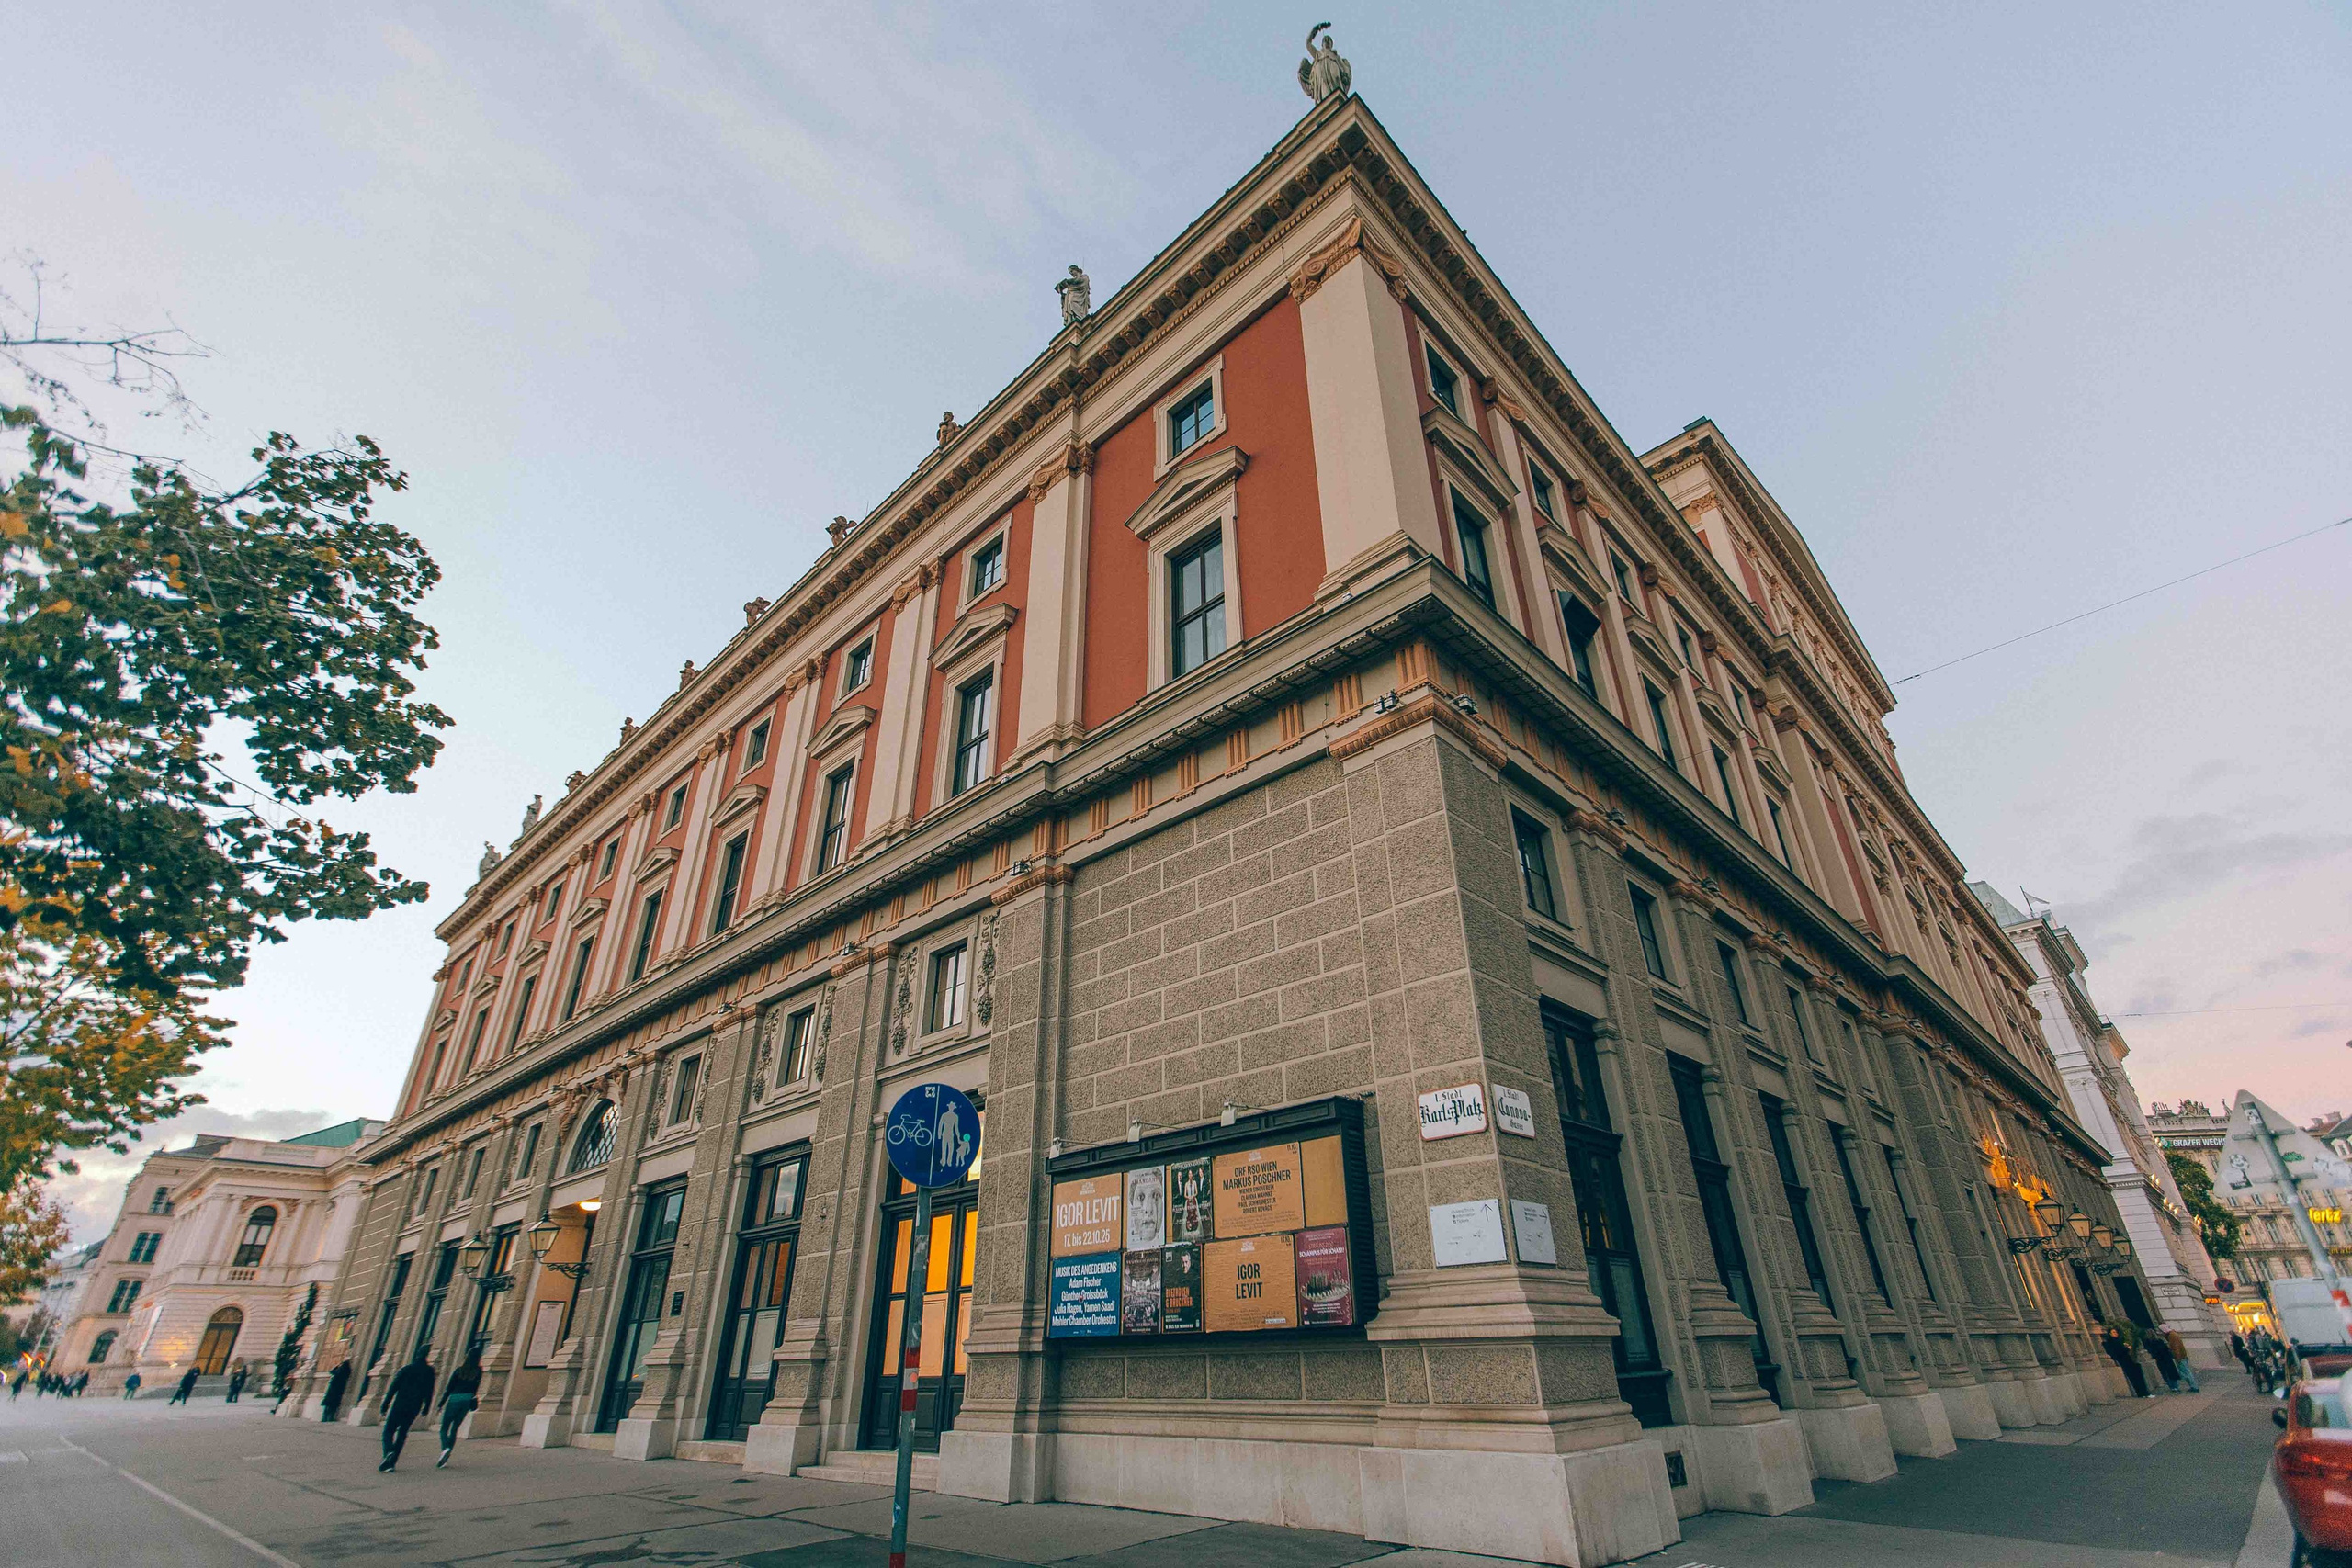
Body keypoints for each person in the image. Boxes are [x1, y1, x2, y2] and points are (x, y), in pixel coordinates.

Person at [379, 1352, 435, 1472]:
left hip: (400, 1404)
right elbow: (430, 1391)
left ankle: (389, 1452)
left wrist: (385, 1404)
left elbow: (393, 1388)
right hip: (414, 1407)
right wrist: (427, 1407)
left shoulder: (406, 1369)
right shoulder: (429, 1372)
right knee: (402, 1433)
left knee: (388, 1431)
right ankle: (392, 1462)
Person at [435, 1351, 483, 1467]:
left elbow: (449, 1388)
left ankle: (445, 1449)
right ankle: (447, 1455)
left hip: (454, 1400)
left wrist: (440, 1404)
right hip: (466, 1401)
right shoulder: (478, 1372)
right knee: (454, 1429)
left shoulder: (459, 1370)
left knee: (444, 1428)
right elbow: (475, 1389)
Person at [2102, 1324, 2150, 1398]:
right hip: (2124, 1361)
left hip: (2127, 1360)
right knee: (2135, 1376)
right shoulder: (2112, 1342)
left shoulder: (2117, 1341)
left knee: (2137, 1375)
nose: (2116, 1334)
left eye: (2116, 1332)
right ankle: (2143, 1393)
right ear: (2110, 1334)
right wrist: (2127, 1348)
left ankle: (2143, 1393)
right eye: (2114, 1332)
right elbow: (2119, 1351)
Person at [2144, 1326, 2183, 1393]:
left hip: (2160, 1360)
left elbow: (2151, 1351)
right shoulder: (2160, 1341)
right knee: (2171, 1372)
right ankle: (2175, 1387)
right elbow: (2167, 1349)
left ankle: (2171, 1387)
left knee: (2165, 1374)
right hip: (2167, 1359)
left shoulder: (2149, 1343)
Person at [2163, 1328, 2201, 1393]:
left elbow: (2175, 1348)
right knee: (2186, 1372)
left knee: (2186, 1372)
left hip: (2180, 1357)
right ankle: (2193, 1386)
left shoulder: (2172, 1336)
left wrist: (2178, 1358)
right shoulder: (2173, 1334)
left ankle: (2194, 1387)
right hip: (2182, 1356)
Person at [321, 1359, 351, 1424]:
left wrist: (336, 1366)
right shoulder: (346, 1372)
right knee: (333, 1406)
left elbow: (331, 1371)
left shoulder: (339, 1371)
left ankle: (324, 1418)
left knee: (328, 1405)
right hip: (339, 1391)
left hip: (333, 1390)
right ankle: (330, 1417)